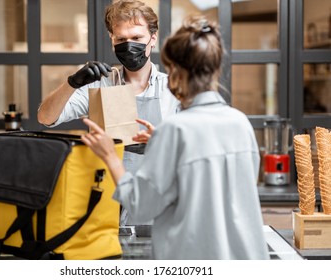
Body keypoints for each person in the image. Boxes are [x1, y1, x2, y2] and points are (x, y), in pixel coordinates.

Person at [80, 15, 270, 259]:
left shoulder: (176, 130)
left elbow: (140, 204)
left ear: (177, 73)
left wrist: (110, 155)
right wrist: (161, 140)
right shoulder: (240, 123)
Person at [37, 0, 179, 226]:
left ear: (153, 38)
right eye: (121, 39)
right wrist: (72, 83)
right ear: (112, 39)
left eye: (136, 38)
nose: (129, 45)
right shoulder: (100, 84)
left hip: (160, 206)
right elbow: (46, 118)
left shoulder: (174, 88)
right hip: (107, 205)